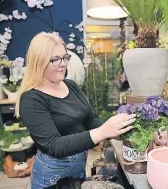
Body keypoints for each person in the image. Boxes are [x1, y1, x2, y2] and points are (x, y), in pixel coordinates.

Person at [14, 32, 136, 189]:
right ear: (39, 62)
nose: (63, 63)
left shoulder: (71, 85)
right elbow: (53, 145)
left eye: (65, 57)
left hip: (78, 168)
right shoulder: (31, 99)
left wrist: (116, 128)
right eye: (55, 59)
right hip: (51, 176)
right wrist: (102, 132)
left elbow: (90, 119)